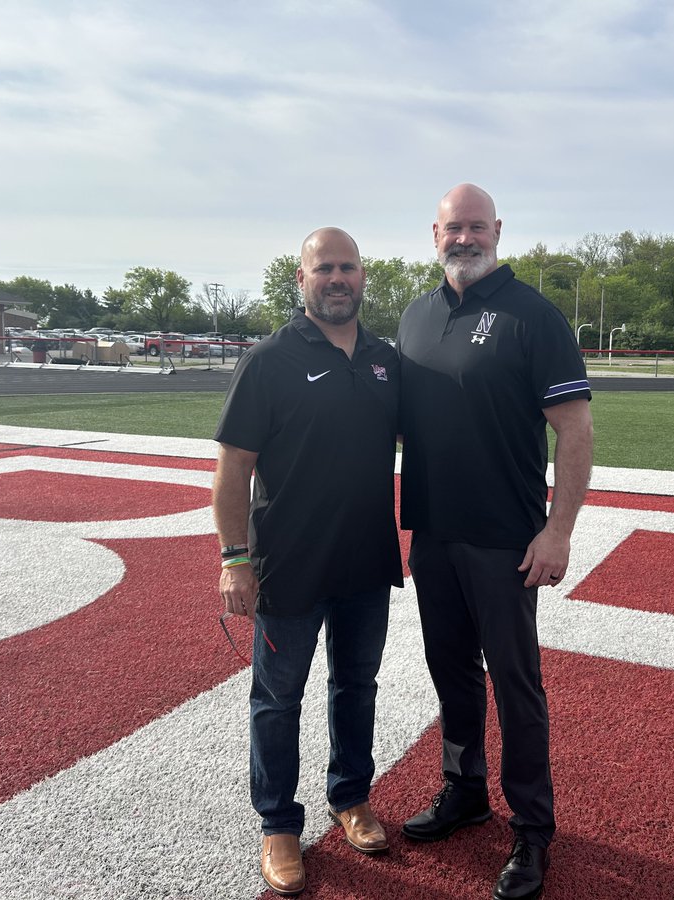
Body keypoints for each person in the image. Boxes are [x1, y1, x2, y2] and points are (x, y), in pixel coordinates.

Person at [396, 184, 594, 900]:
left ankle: (533, 829)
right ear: (436, 235)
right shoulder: (416, 314)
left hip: (506, 540)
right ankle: (465, 790)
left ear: (498, 231)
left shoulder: (533, 315)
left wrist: (559, 529)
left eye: (477, 226)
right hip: (434, 535)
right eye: (454, 228)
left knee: (516, 686)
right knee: (450, 674)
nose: (465, 238)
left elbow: (573, 428)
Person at [212, 227, 402, 896]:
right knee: (278, 697)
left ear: (362, 277)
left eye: (348, 267)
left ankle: (350, 797)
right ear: (302, 279)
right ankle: (278, 825)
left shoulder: (384, 358)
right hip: (287, 564)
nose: (337, 278)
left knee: (357, 686)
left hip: (365, 560)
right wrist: (235, 559)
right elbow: (234, 467)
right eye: (325, 268)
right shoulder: (269, 359)